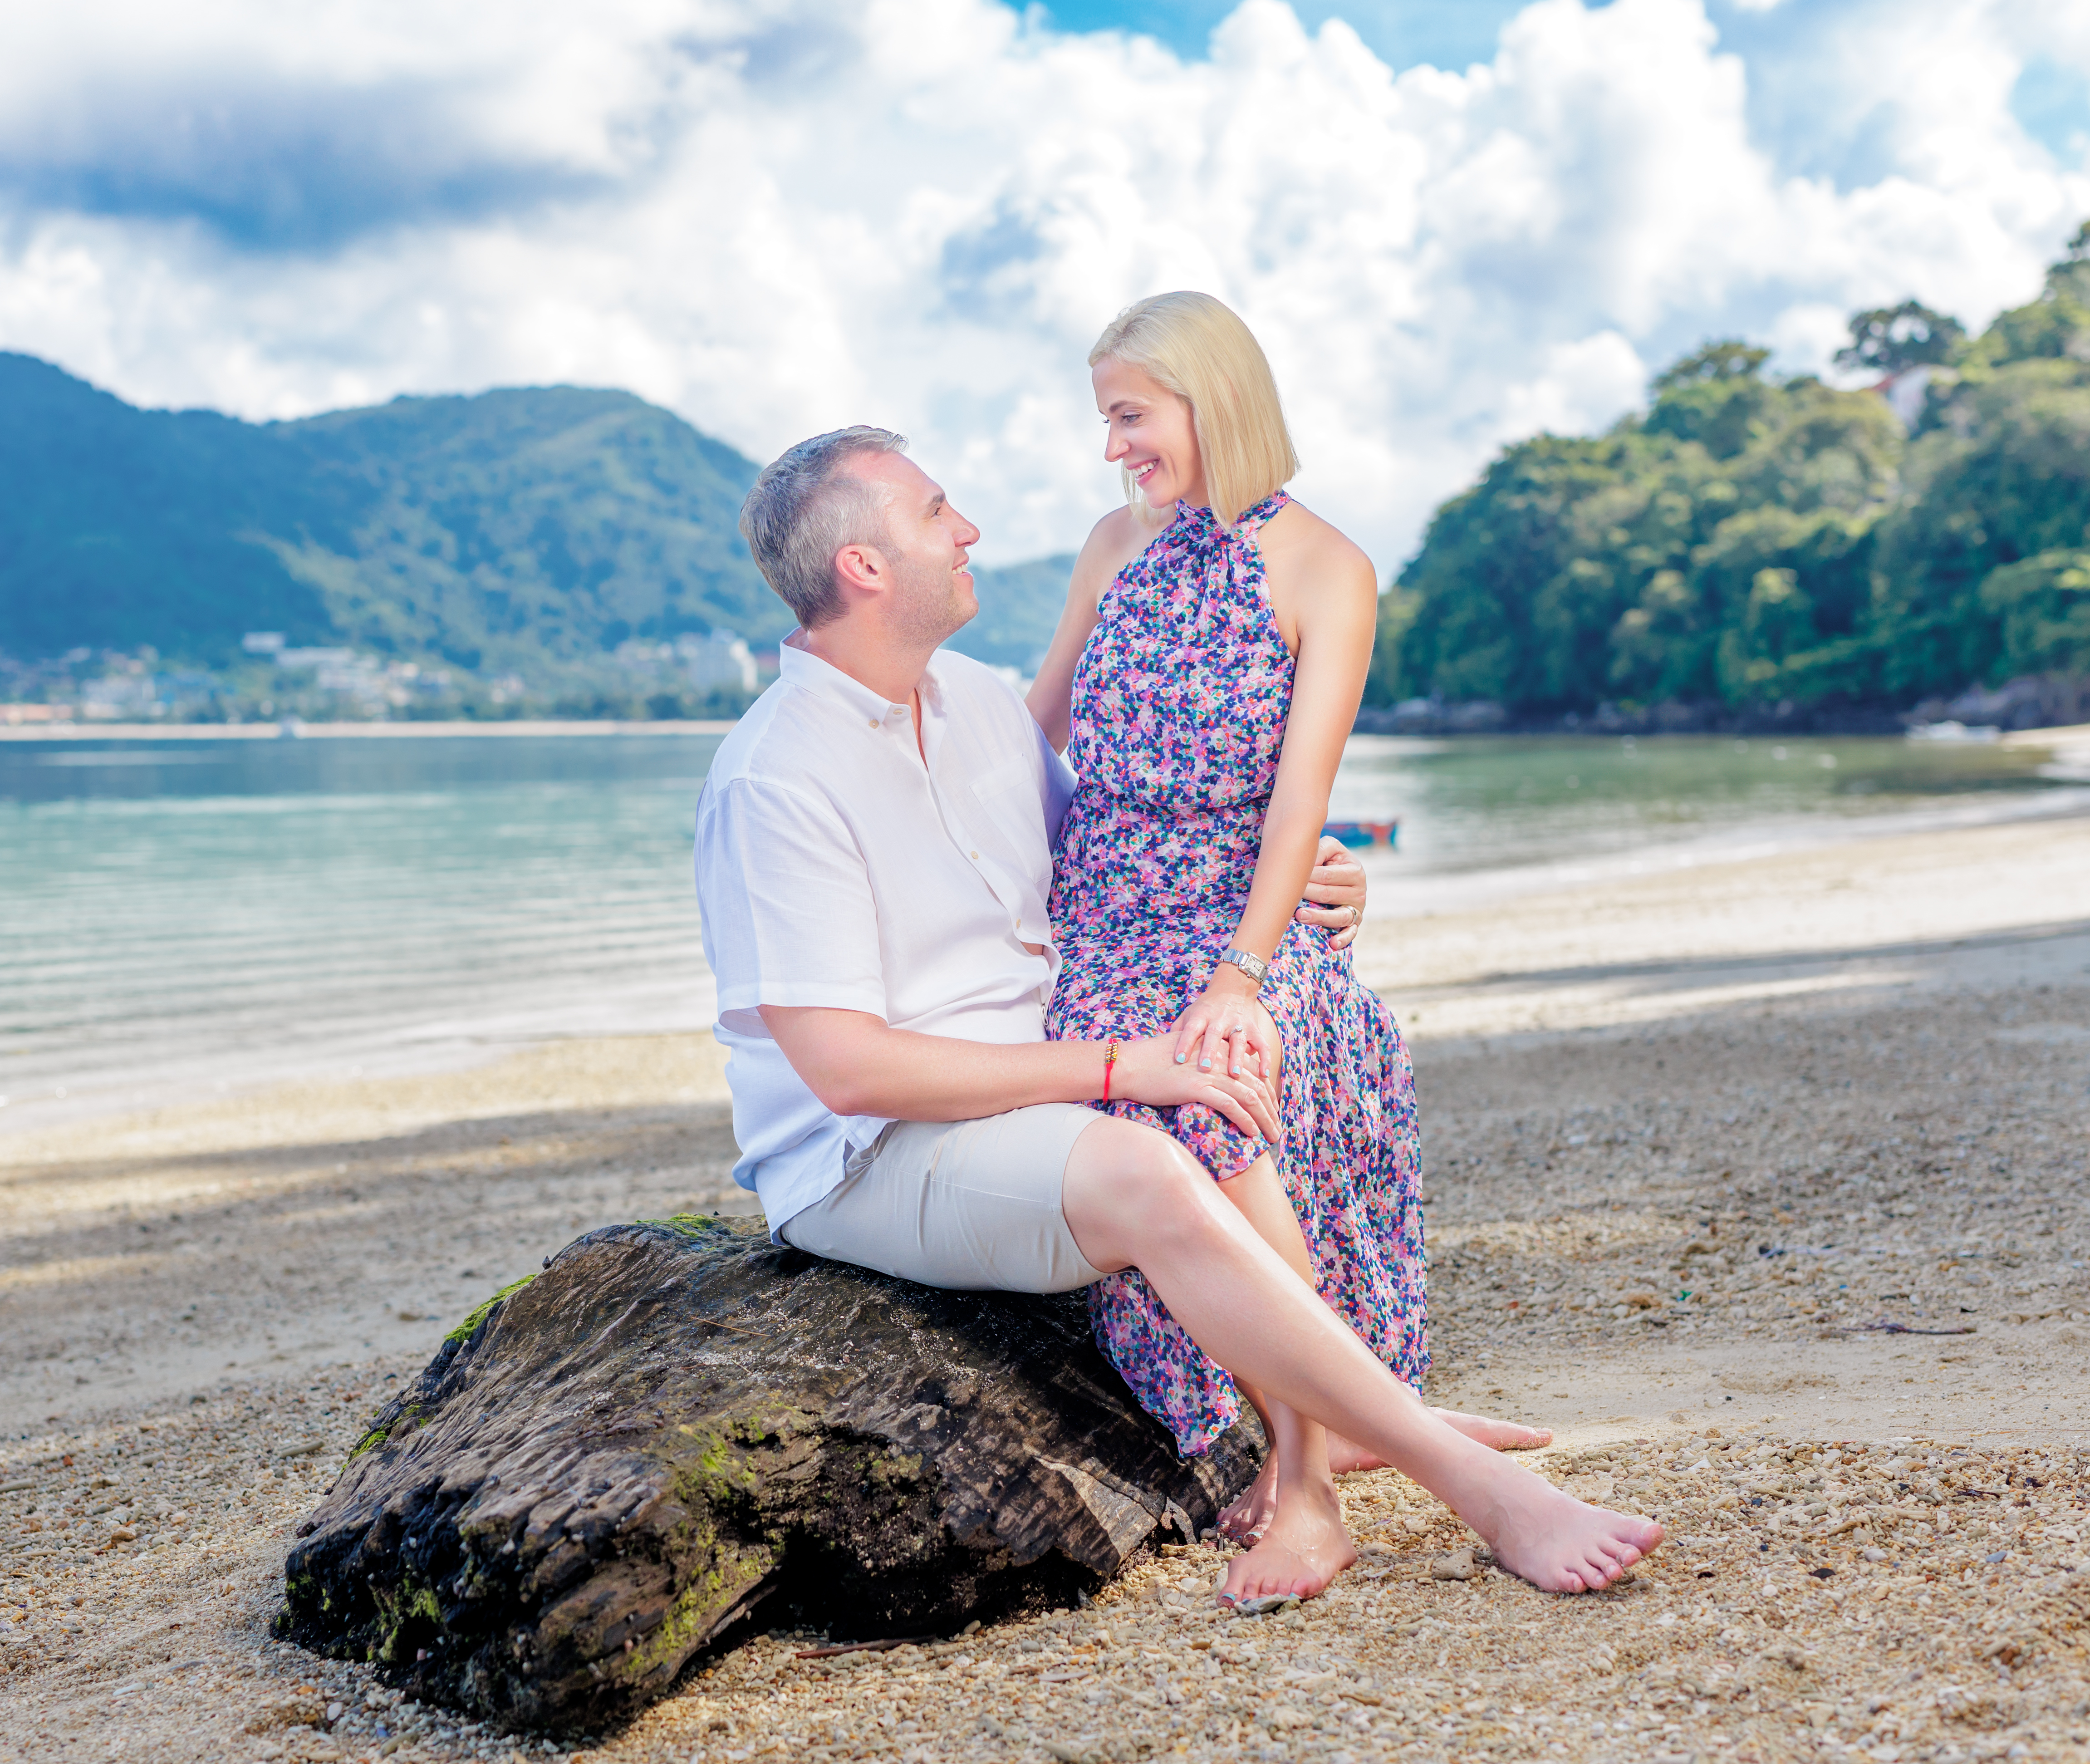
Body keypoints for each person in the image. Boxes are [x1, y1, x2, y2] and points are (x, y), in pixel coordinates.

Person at [695, 423, 1661, 1597]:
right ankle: (1475, 1486)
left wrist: (1316, 867)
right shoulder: (775, 777)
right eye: (938, 513)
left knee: (1230, 1059)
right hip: (872, 1157)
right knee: (1153, 1160)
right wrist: (1121, 1068)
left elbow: (1126, 853)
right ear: (864, 567)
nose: (969, 532)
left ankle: (1332, 1422)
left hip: (1033, 1092)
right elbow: (848, 1073)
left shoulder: (979, 707)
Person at [1025, 291, 1541, 1599]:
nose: (1113, 449)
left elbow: (1304, 802)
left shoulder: (1329, 568)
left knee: (1216, 1080)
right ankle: (1350, 1430)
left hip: (1244, 919)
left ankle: (1307, 1471)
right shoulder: (1110, 546)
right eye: (1107, 421)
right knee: (1163, 1084)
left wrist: (1243, 978)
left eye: (1129, 417)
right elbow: (1030, 733)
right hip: (1101, 917)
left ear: (1211, 402)